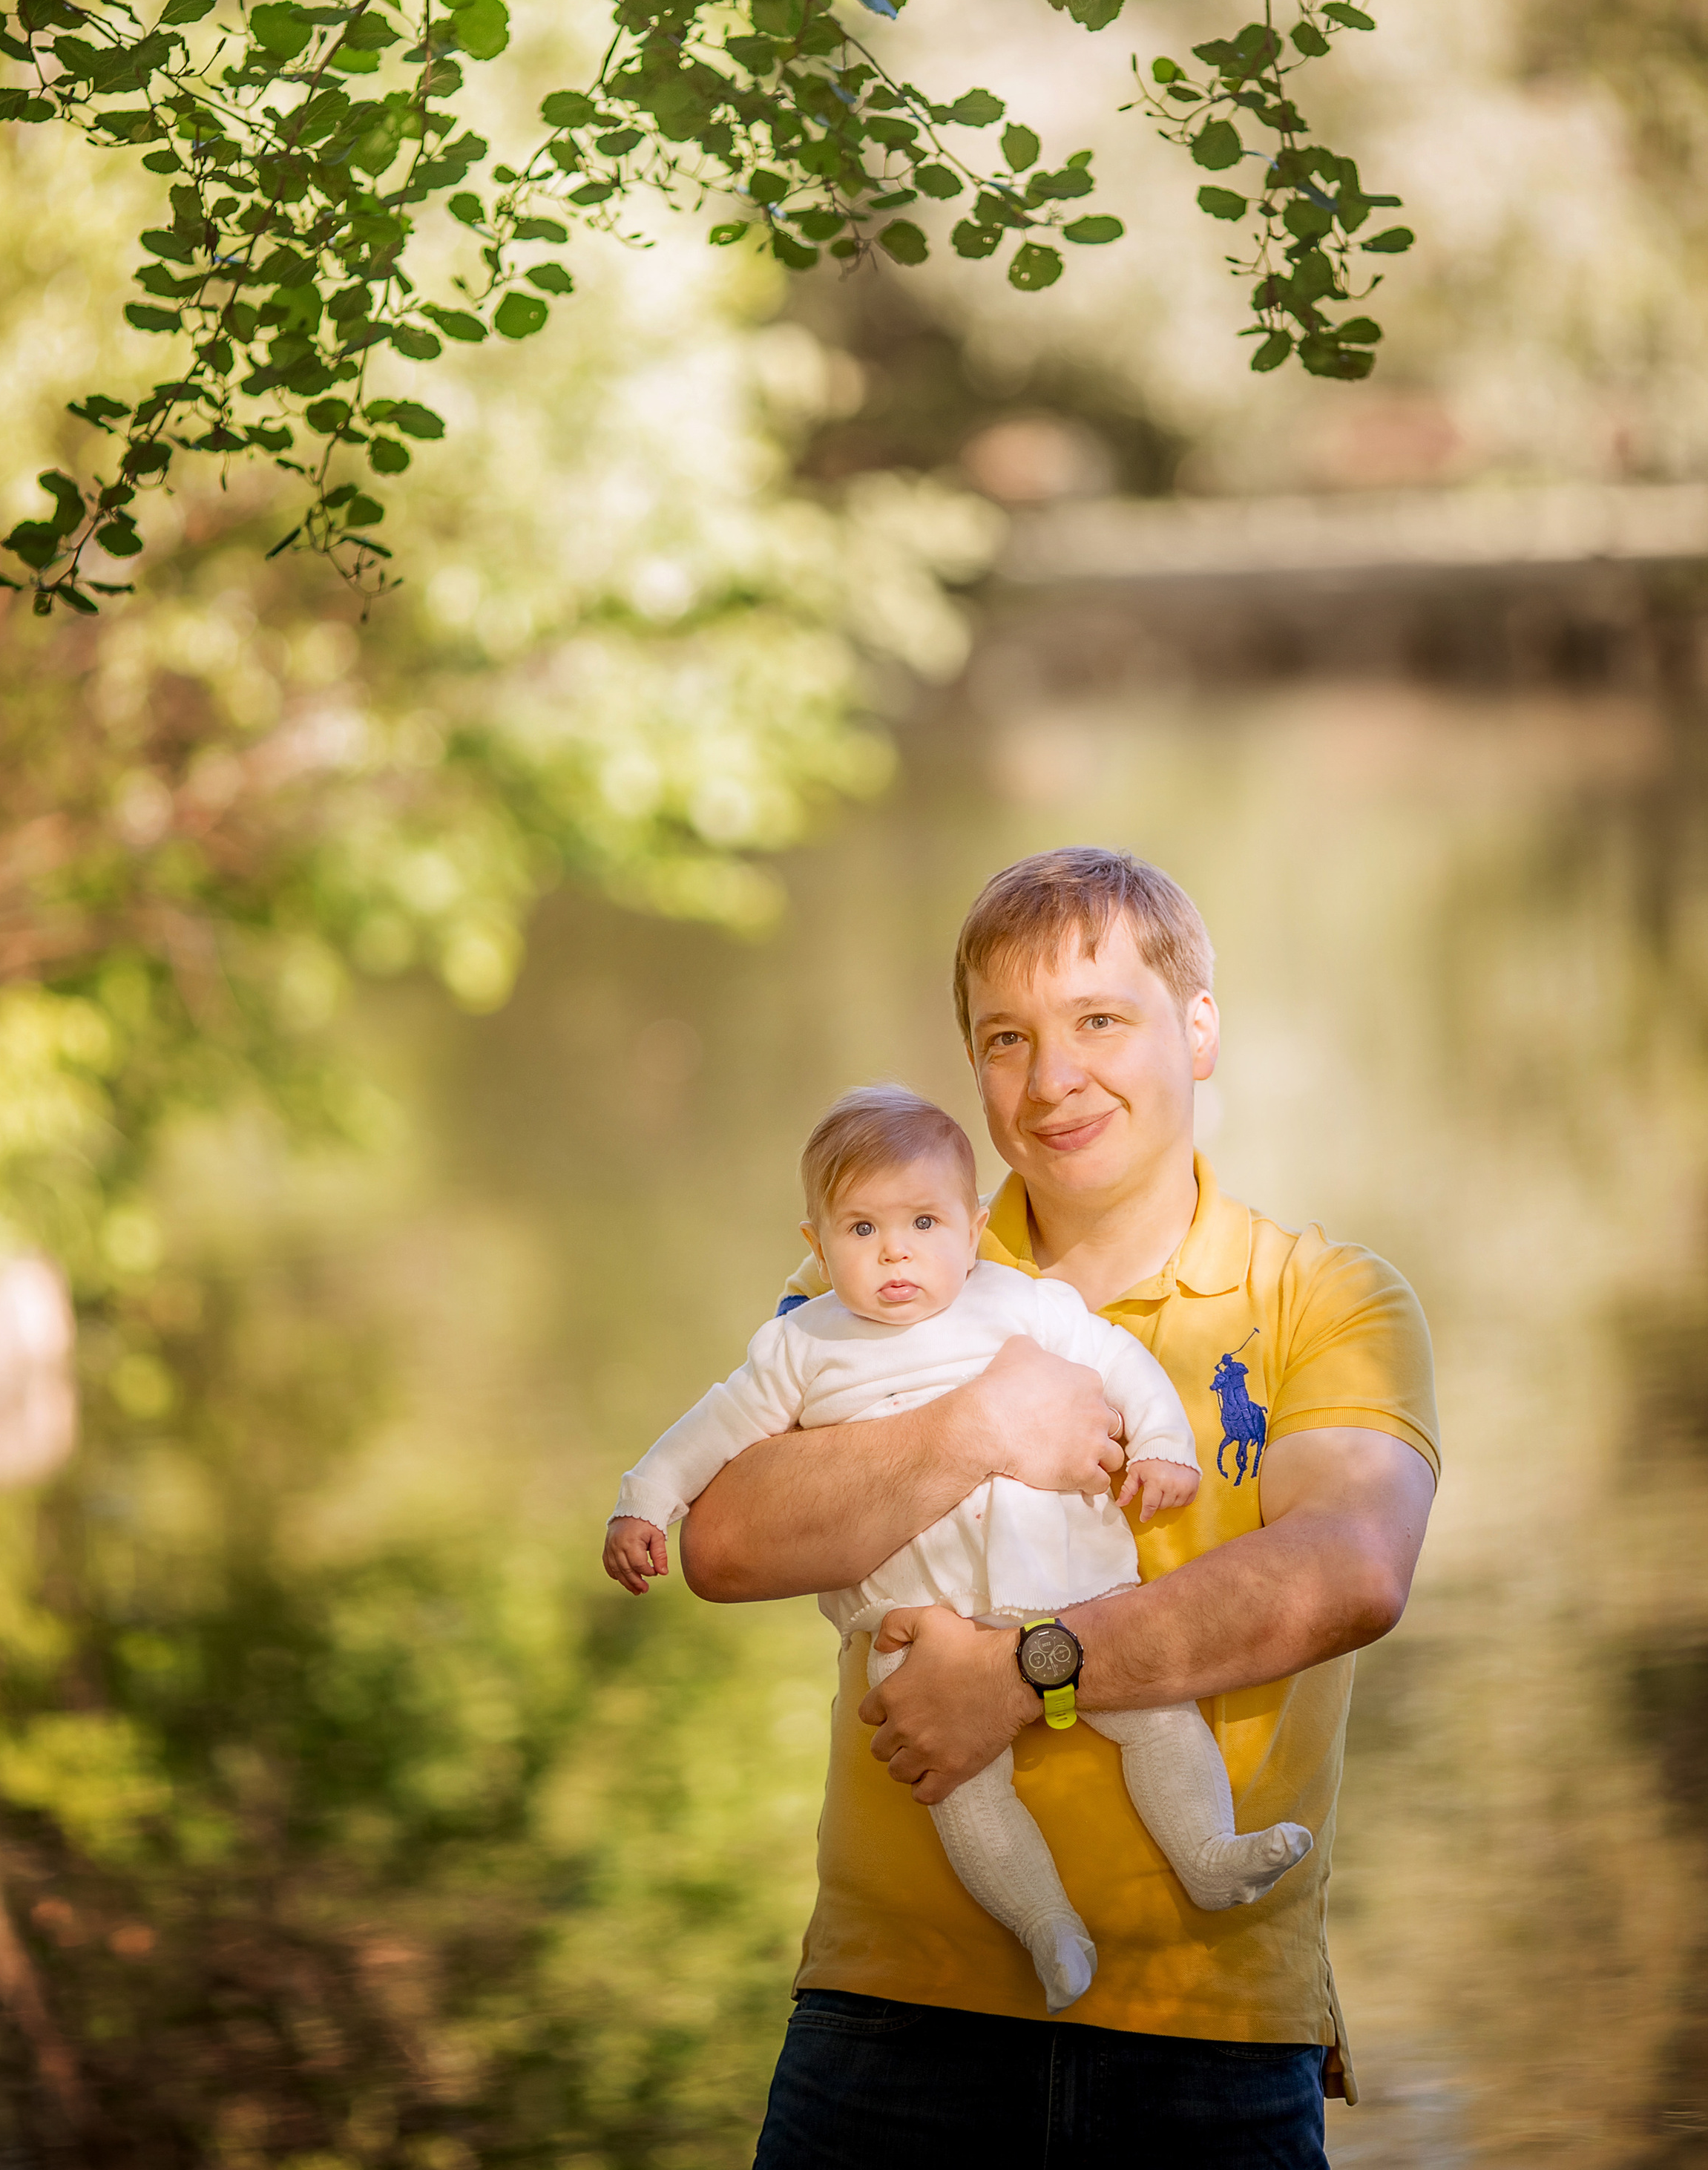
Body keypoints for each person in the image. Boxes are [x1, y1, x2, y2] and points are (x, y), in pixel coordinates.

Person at [679, 848, 1439, 2170]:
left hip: (1211, 2035)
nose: (1052, 1078)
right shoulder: (887, 1265)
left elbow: (1351, 1570)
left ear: (1197, 1029)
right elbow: (724, 1538)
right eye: (1008, 1038)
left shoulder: (1328, 1300)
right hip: (890, 2014)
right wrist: (973, 1425)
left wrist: (1033, 1671)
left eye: (1101, 1022)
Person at [605, 1081, 1314, 2011]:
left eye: (924, 1222)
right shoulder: (802, 1344)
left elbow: (1122, 1364)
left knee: (1159, 1722)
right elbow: (709, 1431)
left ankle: (1210, 1856)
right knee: (963, 1791)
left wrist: (1164, 1448)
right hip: (920, 1628)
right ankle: (1047, 1927)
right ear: (816, 1247)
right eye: (860, 1231)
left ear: (972, 1228)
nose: (895, 1250)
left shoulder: (1020, 1305)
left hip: (1070, 1589)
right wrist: (642, 1505)